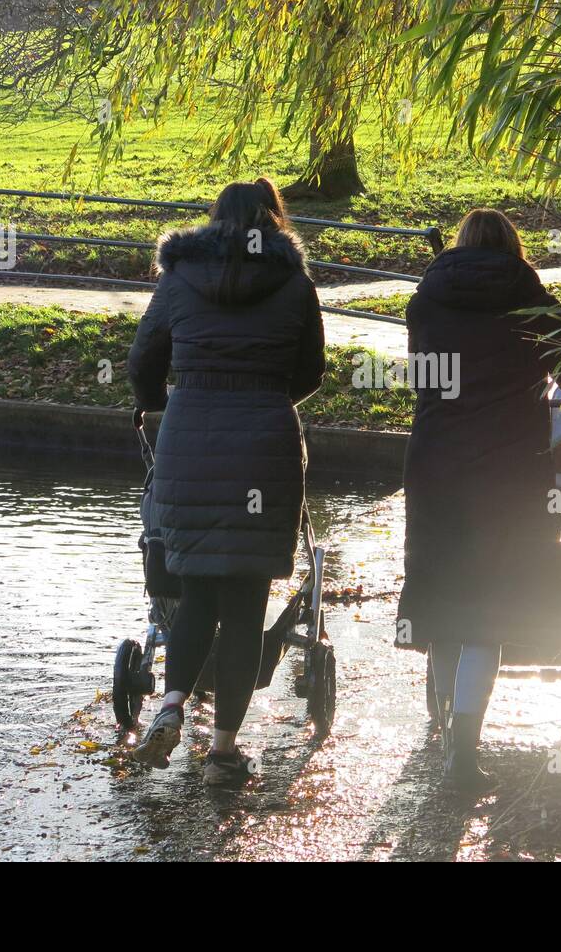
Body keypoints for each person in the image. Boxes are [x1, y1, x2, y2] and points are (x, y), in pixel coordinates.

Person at [126, 178, 325, 786]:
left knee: (195, 590)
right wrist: (266, 397)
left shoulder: (181, 277)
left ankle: (170, 705)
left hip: (189, 441)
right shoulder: (293, 283)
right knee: (244, 605)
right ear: (274, 220)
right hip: (263, 446)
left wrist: (161, 401)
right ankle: (224, 753)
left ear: (214, 219)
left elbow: (142, 359)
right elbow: (312, 368)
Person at [397, 208, 561, 793]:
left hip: (436, 465)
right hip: (510, 475)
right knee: (489, 613)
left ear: (459, 248)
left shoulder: (426, 300)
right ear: (514, 249)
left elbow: (425, 377)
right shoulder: (529, 299)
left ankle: (441, 726)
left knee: (442, 599)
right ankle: (464, 747)